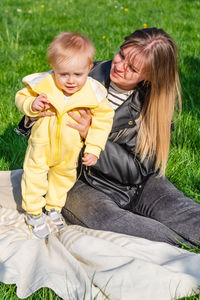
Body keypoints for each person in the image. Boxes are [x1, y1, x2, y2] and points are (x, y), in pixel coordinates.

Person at [16, 27, 200, 248]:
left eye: (132, 68)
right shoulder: (83, 72)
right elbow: (38, 125)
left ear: (148, 77)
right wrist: (32, 115)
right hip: (78, 180)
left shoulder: (154, 106)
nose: (120, 66)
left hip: (139, 183)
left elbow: (138, 173)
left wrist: (90, 134)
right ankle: (184, 254)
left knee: (188, 215)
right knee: (130, 229)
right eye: (121, 54)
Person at [15, 32, 114, 238]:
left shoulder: (93, 93)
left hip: (70, 149)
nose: (70, 81)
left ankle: (53, 208)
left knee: (63, 179)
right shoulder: (44, 84)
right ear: (53, 68)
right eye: (64, 74)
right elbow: (21, 97)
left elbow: (103, 121)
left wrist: (94, 148)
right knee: (34, 177)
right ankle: (33, 212)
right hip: (41, 145)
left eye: (78, 75)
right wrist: (31, 105)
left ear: (89, 68)